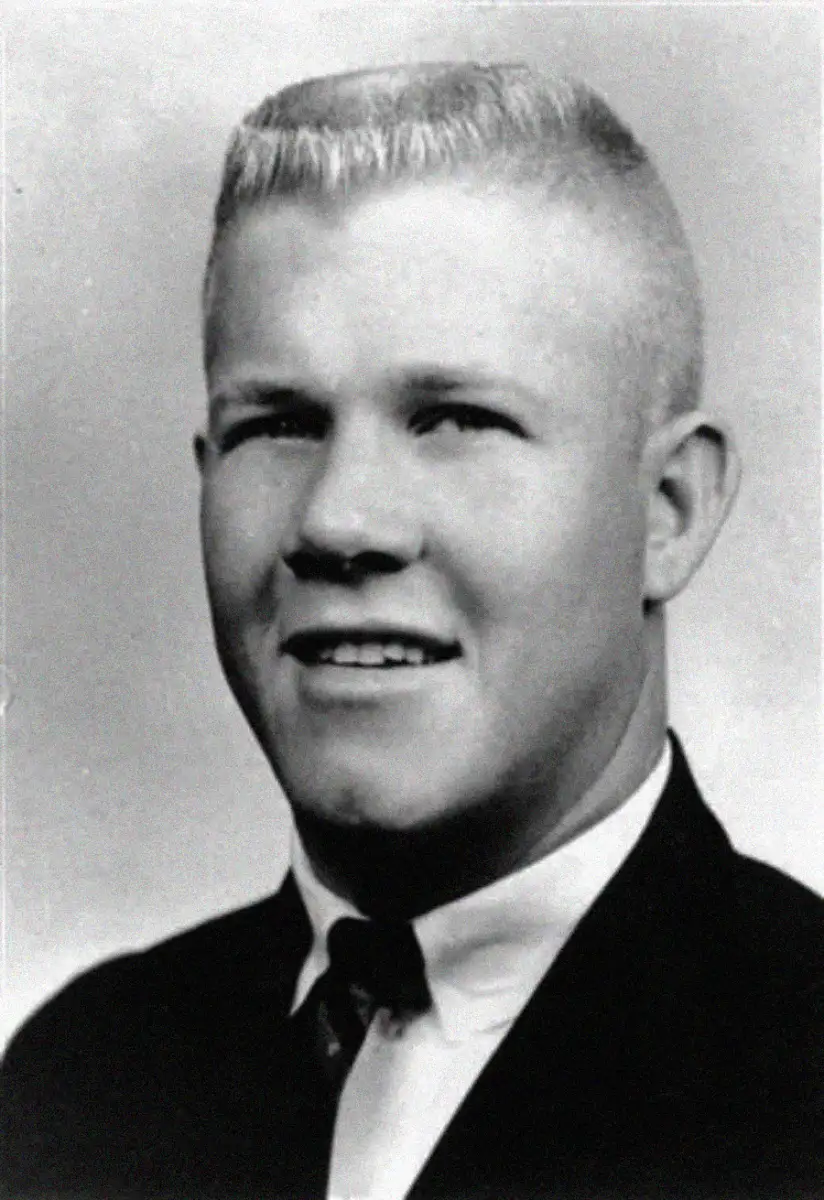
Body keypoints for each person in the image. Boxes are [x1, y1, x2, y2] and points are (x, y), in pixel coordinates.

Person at [2, 62, 822, 1200]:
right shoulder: (78, 1079)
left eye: (455, 419)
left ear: (668, 513)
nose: (338, 521)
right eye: (278, 425)